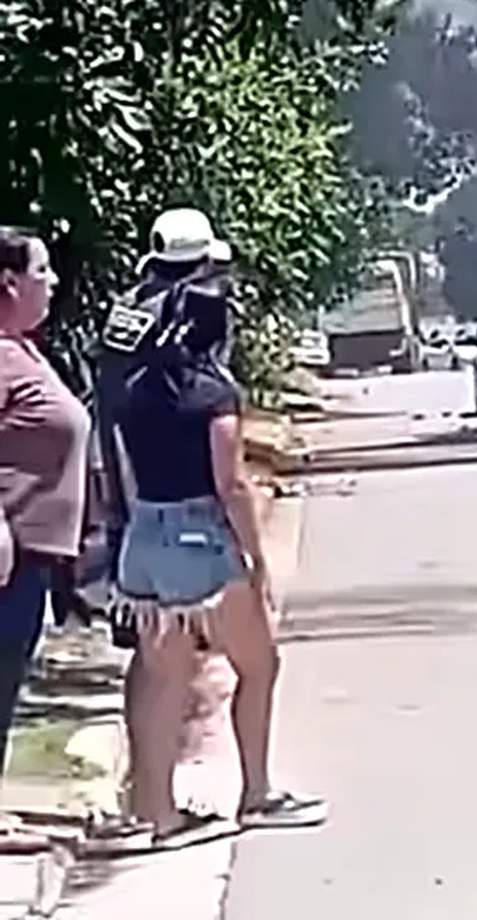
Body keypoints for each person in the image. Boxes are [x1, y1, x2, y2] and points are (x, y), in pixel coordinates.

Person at [101, 208, 324, 851]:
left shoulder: (129, 376)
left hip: (143, 535)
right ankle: (256, 795)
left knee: (161, 675)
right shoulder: (207, 387)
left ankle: (161, 817)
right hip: (200, 536)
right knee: (260, 664)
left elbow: (113, 461)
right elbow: (229, 482)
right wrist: (254, 559)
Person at [0, 227, 91, 854]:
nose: (53, 281)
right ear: (8, 285)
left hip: (35, 557)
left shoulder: (24, 351)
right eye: (43, 270)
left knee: (7, 683)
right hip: (9, 555)